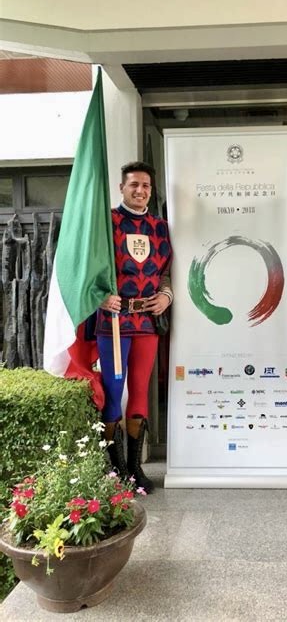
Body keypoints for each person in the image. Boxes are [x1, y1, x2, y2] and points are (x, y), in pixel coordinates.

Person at [96, 161, 172, 493]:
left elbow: (166, 271)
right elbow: (89, 270)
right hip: (113, 322)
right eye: (134, 185)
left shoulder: (160, 227)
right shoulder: (105, 223)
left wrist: (166, 295)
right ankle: (116, 468)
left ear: (151, 191)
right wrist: (99, 296)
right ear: (122, 188)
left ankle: (136, 468)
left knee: (140, 391)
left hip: (146, 323)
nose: (140, 191)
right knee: (114, 393)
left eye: (145, 186)